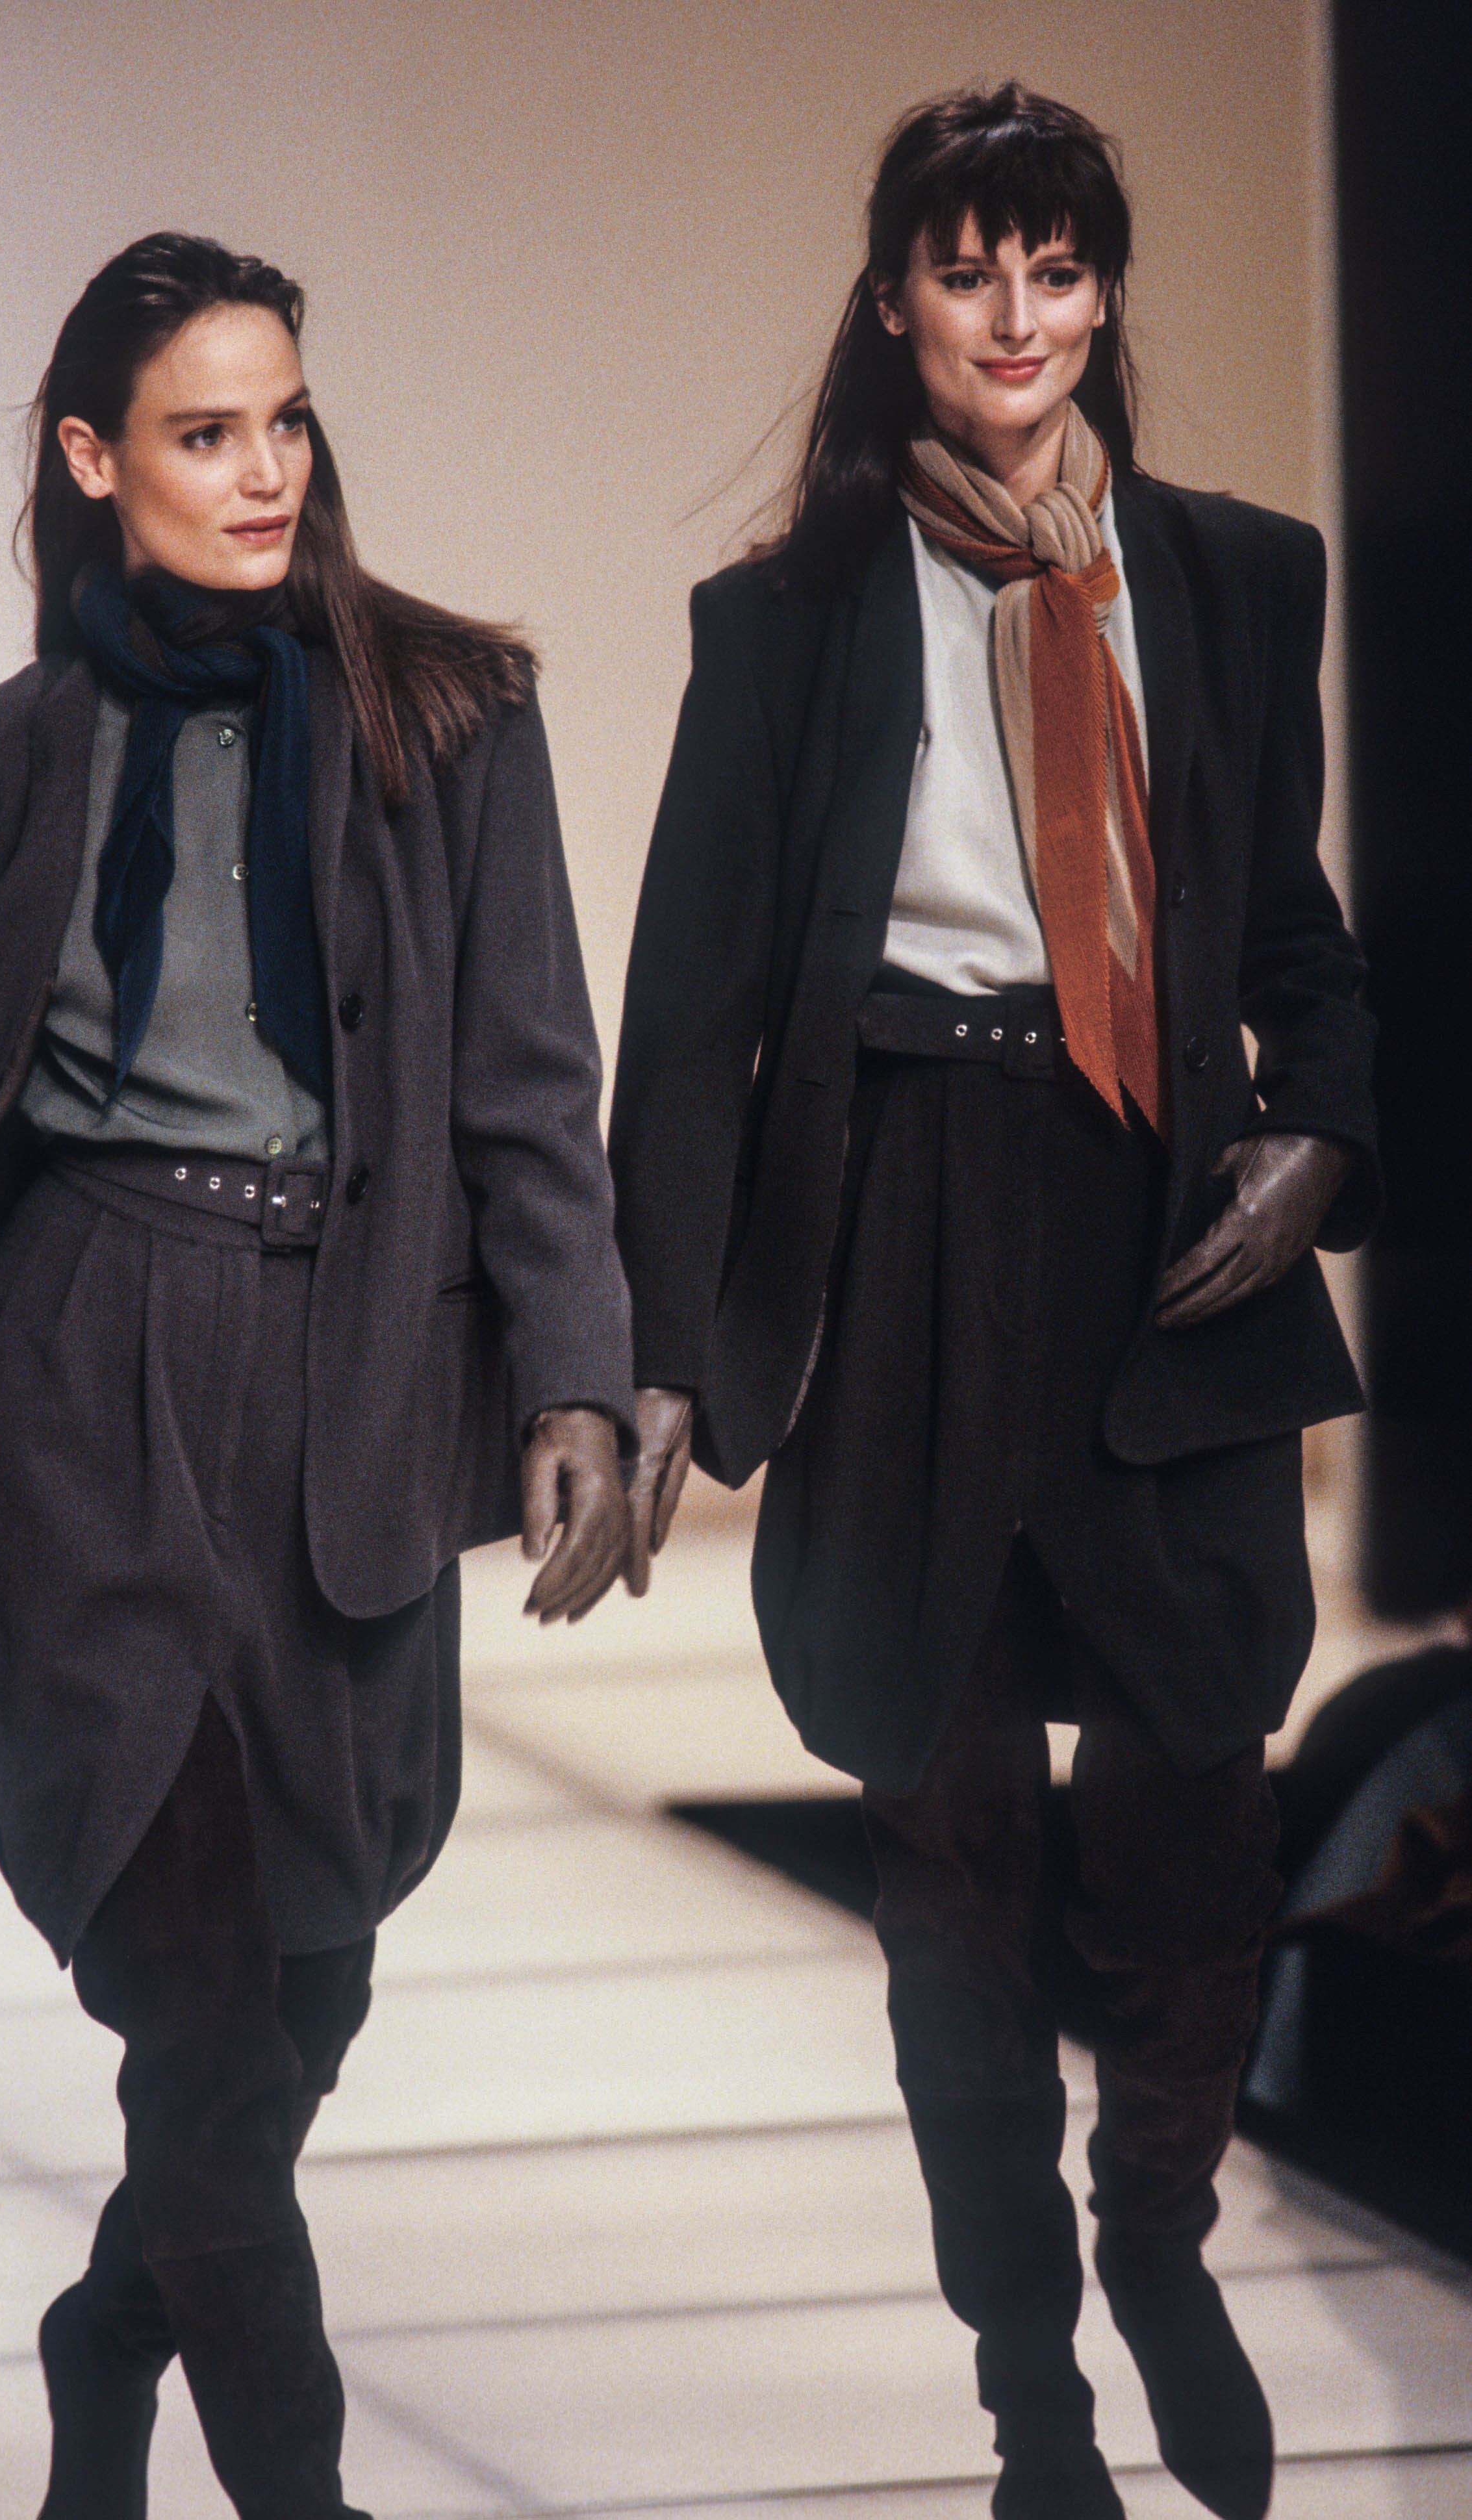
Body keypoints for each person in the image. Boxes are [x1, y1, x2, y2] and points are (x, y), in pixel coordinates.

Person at [0, 233, 635, 2520]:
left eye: (285, 421)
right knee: (190, 2011)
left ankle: (104, 2339)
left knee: (293, 2011)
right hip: (78, 1384)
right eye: (203, 431)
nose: (265, 471)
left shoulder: (448, 715)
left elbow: (528, 1091)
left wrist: (575, 1375)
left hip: (337, 1395)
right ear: (94, 458)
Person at [611, 87, 1377, 2520]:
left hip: (1159, 1230)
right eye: (967, 272)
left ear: (1103, 291)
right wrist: (649, 1353)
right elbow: (690, 1015)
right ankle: (1025, 2377)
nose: (1015, 316)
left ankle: (1155, 2241)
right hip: (902, 1230)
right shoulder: (787, 619)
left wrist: (1317, 1136)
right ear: (893, 305)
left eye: (1053, 268)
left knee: (1195, 1819)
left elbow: (1294, 942)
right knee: (946, 1869)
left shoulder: (1233, 578)